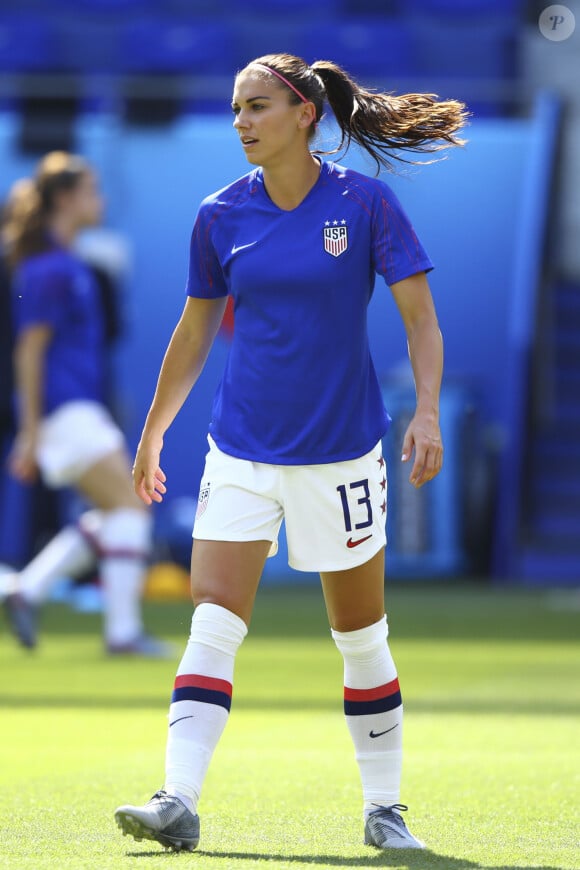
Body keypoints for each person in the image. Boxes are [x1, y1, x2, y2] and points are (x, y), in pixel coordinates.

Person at [114, 53, 467, 851]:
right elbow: (196, 327)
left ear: (305, 113)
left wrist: (430, 413)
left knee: (360, 635)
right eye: (236, 108)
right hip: (240, 449)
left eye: (257, 106)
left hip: (341, 455)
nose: (241, 121)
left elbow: (421, 319)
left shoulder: (366, 203)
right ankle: (177, 799)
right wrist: (155, 428)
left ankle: (385, 809)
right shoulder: (219, 215)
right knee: (213, 618)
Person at [1, 152, 172, 657]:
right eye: (93, 190)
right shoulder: (48, 267)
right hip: (64, 410)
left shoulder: (66, 262)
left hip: (74, 410)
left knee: (120, 511)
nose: (102, 199)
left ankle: (26, 588)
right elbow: (28, 351)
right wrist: (31, 430)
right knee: (130, 508)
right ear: (65, 199)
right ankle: (120, 633)